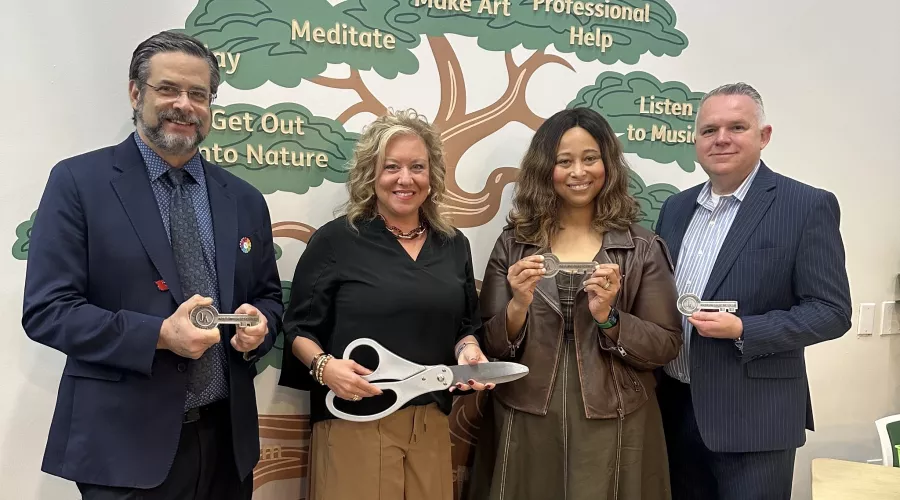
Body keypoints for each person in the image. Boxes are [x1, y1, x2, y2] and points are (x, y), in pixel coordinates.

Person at [21, 31, 283, 499]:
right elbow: (48, 311)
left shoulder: (243, 199)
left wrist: (260, 325)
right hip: (124, 449)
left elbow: (267, 295)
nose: (184, 104)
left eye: (199, 94)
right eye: (169, 89)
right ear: (135, 92)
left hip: (227, 446)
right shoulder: (79, 183)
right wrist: (159, 336)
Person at [467, 107, 683, 499]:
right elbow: (490, 348)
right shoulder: (514, 243)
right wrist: (518, 305)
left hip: (616, 416)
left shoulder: (642, 246)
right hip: (526, 411)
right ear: (545, 169)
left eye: (590, 159)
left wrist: (608, 317)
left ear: (608, 165)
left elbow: (665, 346)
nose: (578, 172)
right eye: (564, 161)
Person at [278, 108, 493, 500]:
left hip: (429, 423)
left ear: (433, 176)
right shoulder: (336, 241)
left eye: (417, 167)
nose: (405, 179)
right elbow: (297, 330)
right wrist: (325, 367)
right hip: (353, 419)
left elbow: (465, 326)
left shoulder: (453, 245)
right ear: (370, 174)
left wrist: (470, 352)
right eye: (391, 166)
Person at [654, 82, 852, 500]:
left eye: (736, 127)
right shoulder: (675, 208)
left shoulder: (806, 205)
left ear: (764, 136)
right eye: (709, 130)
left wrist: (745, 328)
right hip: (675, 405)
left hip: (754, 416)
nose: (721, 138)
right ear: (696, 140)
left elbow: (832, 311)